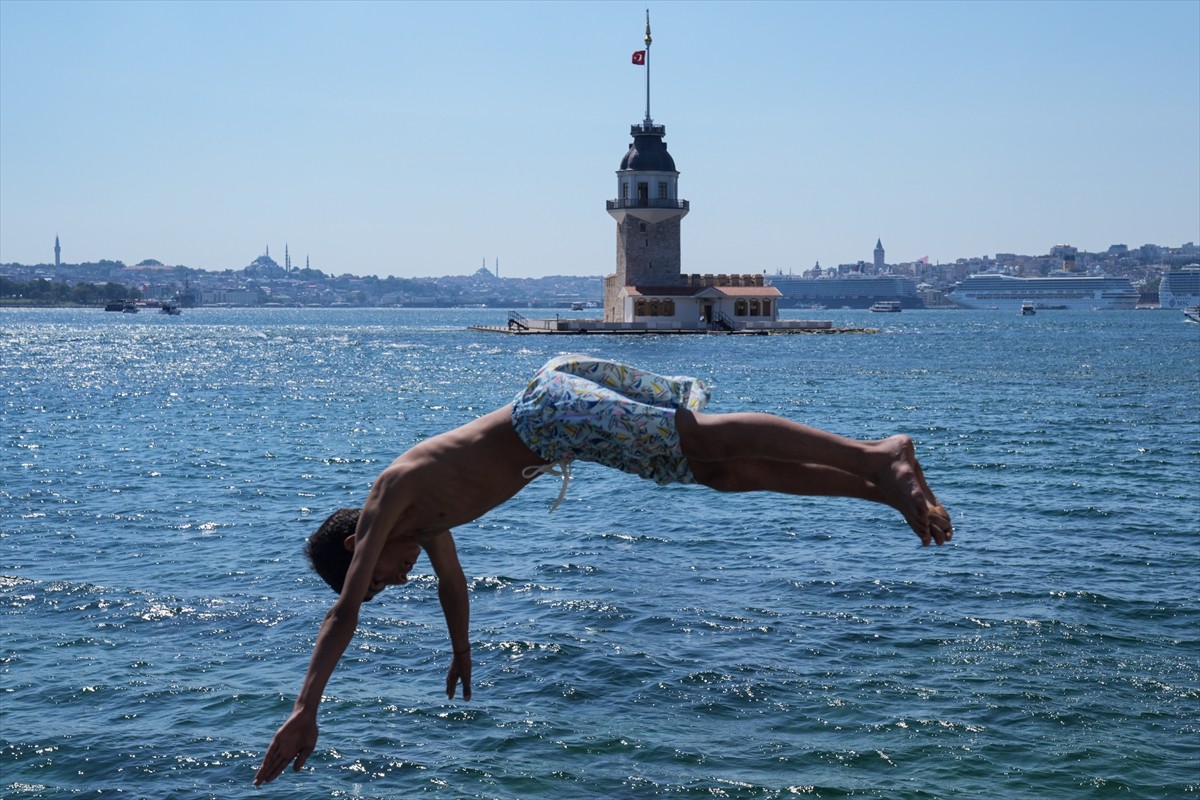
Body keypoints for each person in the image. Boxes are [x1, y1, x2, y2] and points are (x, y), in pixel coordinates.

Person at [254, 355, 952, 786]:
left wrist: (305, 706)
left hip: (552, 412)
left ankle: (877, 456)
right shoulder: (423, 525)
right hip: (565, 428)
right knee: (717, 474)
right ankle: (878, 488)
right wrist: (462, 652)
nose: (391, 582)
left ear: (355, 549)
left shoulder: (390, 496)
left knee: (701, 440)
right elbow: (452, 584)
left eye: (379, 578)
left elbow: (342, 613)